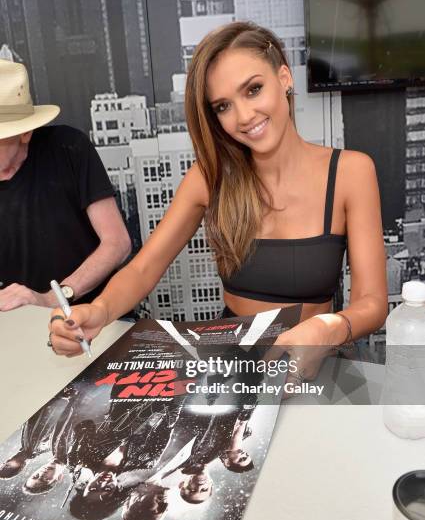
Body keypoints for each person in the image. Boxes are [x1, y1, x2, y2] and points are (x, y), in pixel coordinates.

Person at [49, 21, 387, 369]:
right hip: (233, 368)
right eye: (223, 106)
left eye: (253, 89)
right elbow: (143, 269)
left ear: (284, 77)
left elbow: (372, 301)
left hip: (316, 366)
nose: (243, 116)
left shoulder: (351, 172)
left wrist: (329, 329)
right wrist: (100, 311)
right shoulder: (209, 179)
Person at [0, 59, 131, 311]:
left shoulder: (68, 148)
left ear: (25, 133)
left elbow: (117, 243)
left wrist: (53, 298)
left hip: (90, 316)